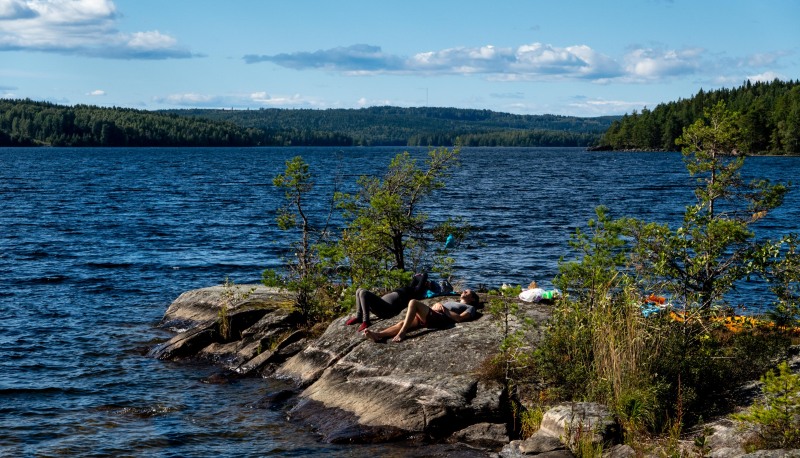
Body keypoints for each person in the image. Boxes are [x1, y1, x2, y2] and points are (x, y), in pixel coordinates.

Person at [364, 289, 481, 343]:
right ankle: (378, 335)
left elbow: (459, 319)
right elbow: (439, 307)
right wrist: (437, 305)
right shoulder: (453, 301)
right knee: (402, 323)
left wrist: (444, 309)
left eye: (467, 292)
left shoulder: (471, 308)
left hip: (439, 318)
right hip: (433, 314)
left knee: (413, 302)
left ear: (472, 298)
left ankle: (403, 333)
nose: (463, 292)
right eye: (464, 291)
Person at [345, 272, 430, 331]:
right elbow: (415, 278)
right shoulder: (411, 287)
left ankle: (366, 321)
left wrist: (424, 278)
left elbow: (425, 275)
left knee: (363, 293)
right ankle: (359, 317)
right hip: (383, 303)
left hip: (387, 309)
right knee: (359, 290)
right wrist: (419, 276)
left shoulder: (416, 291)